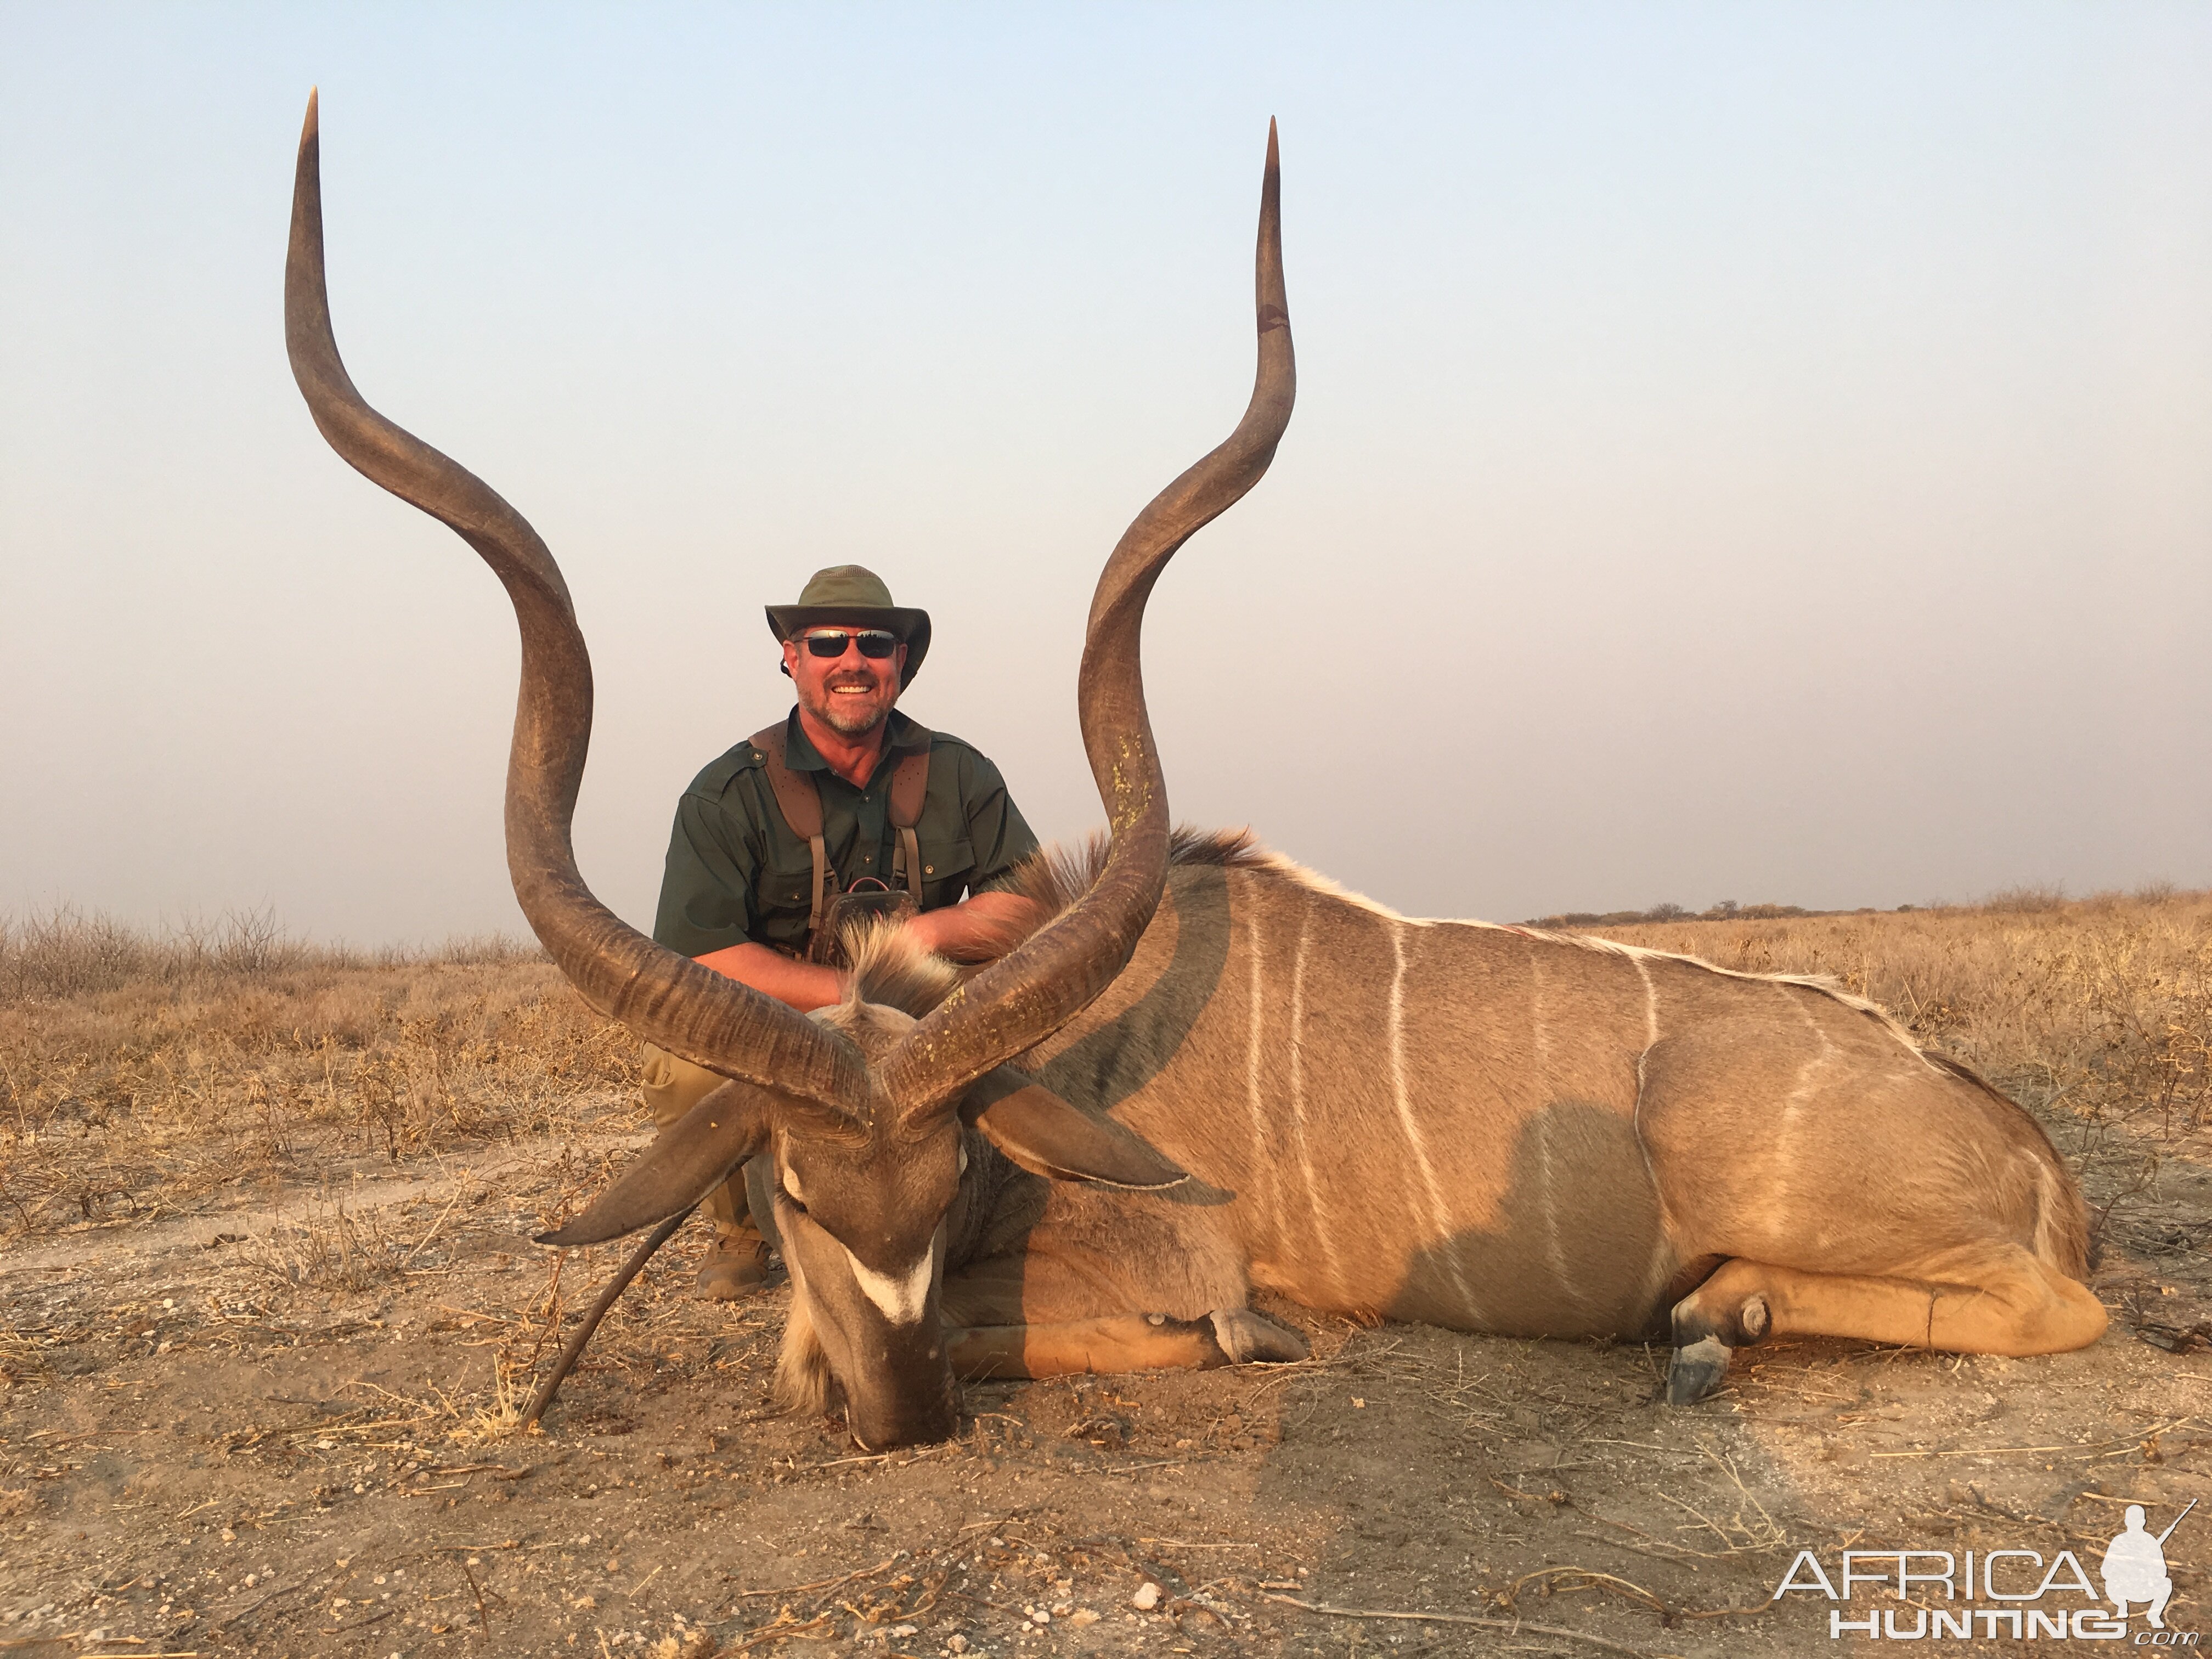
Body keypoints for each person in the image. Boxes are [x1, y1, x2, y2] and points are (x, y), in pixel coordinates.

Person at [644, 565, 1043, 1296]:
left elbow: (1029, 906)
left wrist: (918, 942)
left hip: (922, 1013)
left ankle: (981, 1212)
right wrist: (848, 994)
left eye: (875, 644)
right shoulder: (726, 794)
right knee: (687, 1066)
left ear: (901, 664)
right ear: (792, 659)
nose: (852, 660)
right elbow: (704, 956)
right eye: (827, 642)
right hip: (790, 1018)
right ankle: (739, 1232)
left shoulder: (961, 773)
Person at [2100, 1504, 2175, 1629]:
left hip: (2144, 1589)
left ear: (2143, 1522)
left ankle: (2154, 1615)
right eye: (2131, 1520)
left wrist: (2146, 1570)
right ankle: (2122, 1605)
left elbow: (2162, 1571)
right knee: (2110, 1582)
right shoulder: (2119, 1541)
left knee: (2166, 1583)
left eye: (2138, 1520)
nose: (2134, 1523)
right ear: (2126, 1522)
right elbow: (2106, 1570)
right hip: (2122, 1589)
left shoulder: (2151, 1542)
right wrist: (2125, 1570)